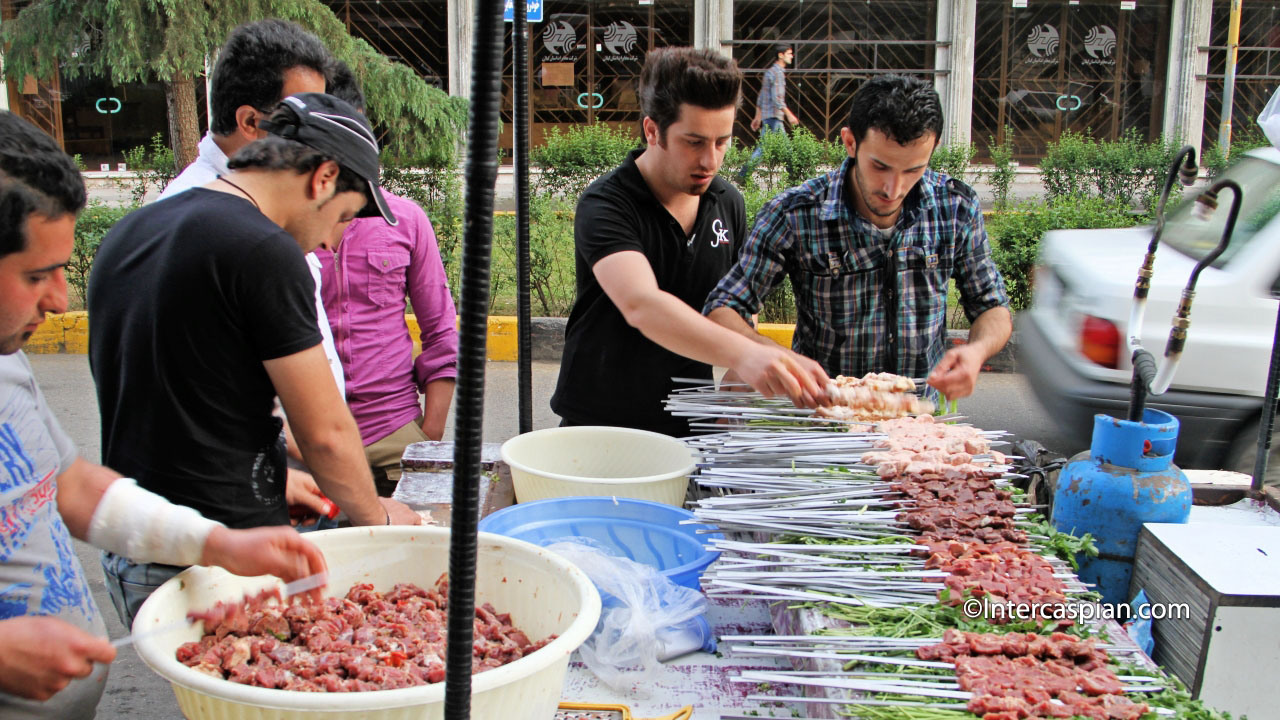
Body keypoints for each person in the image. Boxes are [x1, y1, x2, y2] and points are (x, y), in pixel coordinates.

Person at [0, 110, 327, 719]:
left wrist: (216, 542)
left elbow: (69, 485)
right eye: (35, 275)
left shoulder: (7, 364)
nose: (59, 299)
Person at [87, 93, 421, 629]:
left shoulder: (131, 231)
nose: (333, 242)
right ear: (324, 177)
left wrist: (270, 474)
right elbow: (327, 434)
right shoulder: (263, 250)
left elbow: (180, 397)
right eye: (344, 217)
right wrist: (379, 515)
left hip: (139, 550)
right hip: (223, 563)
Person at [550, 47, 828, 437]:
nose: (711, 160)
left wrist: (754, 361)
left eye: (722, 141)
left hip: (695, 420)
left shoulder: (728, 202)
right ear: (652, 130)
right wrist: (746, 354)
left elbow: (736, 302)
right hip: (601, 424)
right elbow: (641, 304)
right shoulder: (607, 203)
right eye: (694, 142)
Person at [705, 74, 1012, 401]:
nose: (894, 189)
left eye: (912, 170)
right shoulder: (795, 214)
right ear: (851, 142)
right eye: (880, 167)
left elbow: (992, 307)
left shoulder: (955, 207)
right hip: (827, 419)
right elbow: (723, 309)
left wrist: (976, 352)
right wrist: (775, 355)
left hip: (918, 425)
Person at [158, 19, 346, 398]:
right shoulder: (212, 226)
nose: (318, 141)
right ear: (249, 122)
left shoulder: (262, 209)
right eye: (304, 122)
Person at [316, 64, 459, 497]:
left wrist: (426, 436)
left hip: (394, 430)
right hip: (308, 442)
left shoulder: (405, 219)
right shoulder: (282, 226)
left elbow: (441, 330)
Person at [738, 43, 800, 183]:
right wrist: (789, 114)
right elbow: (777, 98)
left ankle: (744, 174)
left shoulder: (769, 72)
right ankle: (794, 176)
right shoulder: (777, 73)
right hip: (774, 117)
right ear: (780, 55)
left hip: (768, 117)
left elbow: (761, 98)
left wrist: (757, 117)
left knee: (772, 147)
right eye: (789, 53)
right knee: (782, 149)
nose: (792, 56)